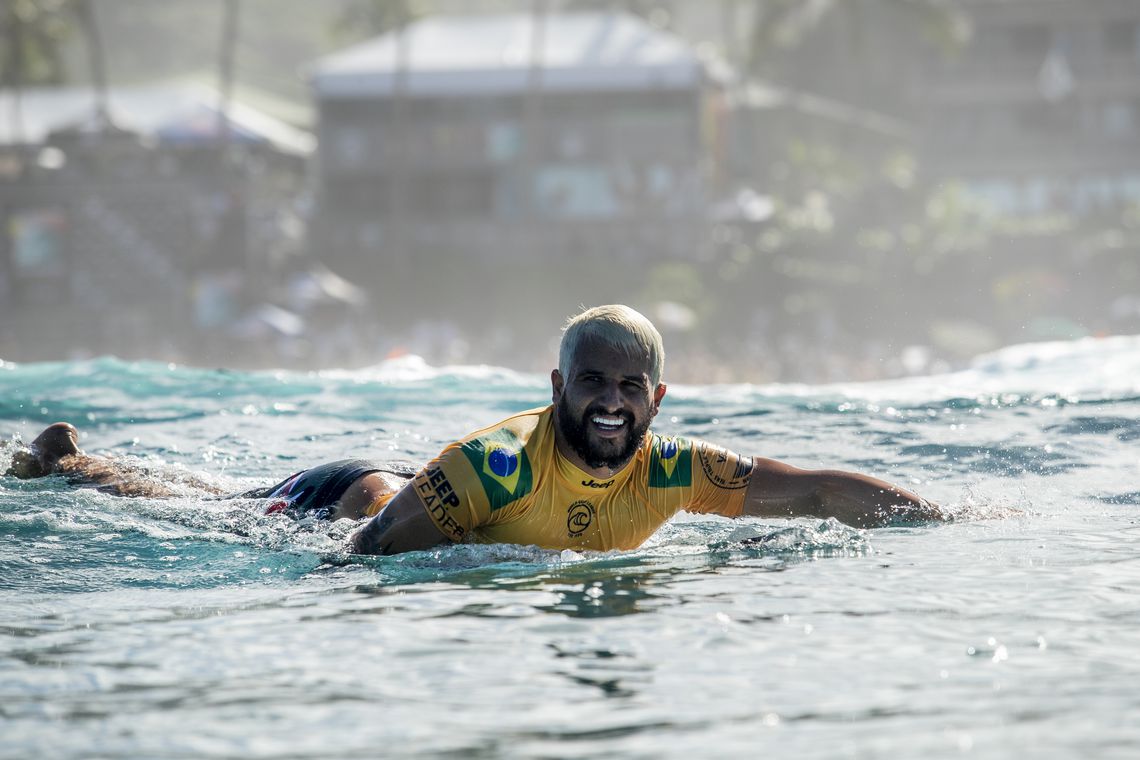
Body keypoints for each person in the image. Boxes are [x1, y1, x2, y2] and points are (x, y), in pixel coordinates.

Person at [4, 305, 943, 554]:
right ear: (556, 387)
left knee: (215, 499)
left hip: (420, 497)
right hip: (353, 499)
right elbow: (367, 554)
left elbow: (821, 491)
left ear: (658, 400)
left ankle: (74, 457)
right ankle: (74, 464)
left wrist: (940, 518)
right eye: (590, 383)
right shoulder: (493, 466)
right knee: (210, 511)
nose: (609, 402)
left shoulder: (677, 470)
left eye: (629, 387)